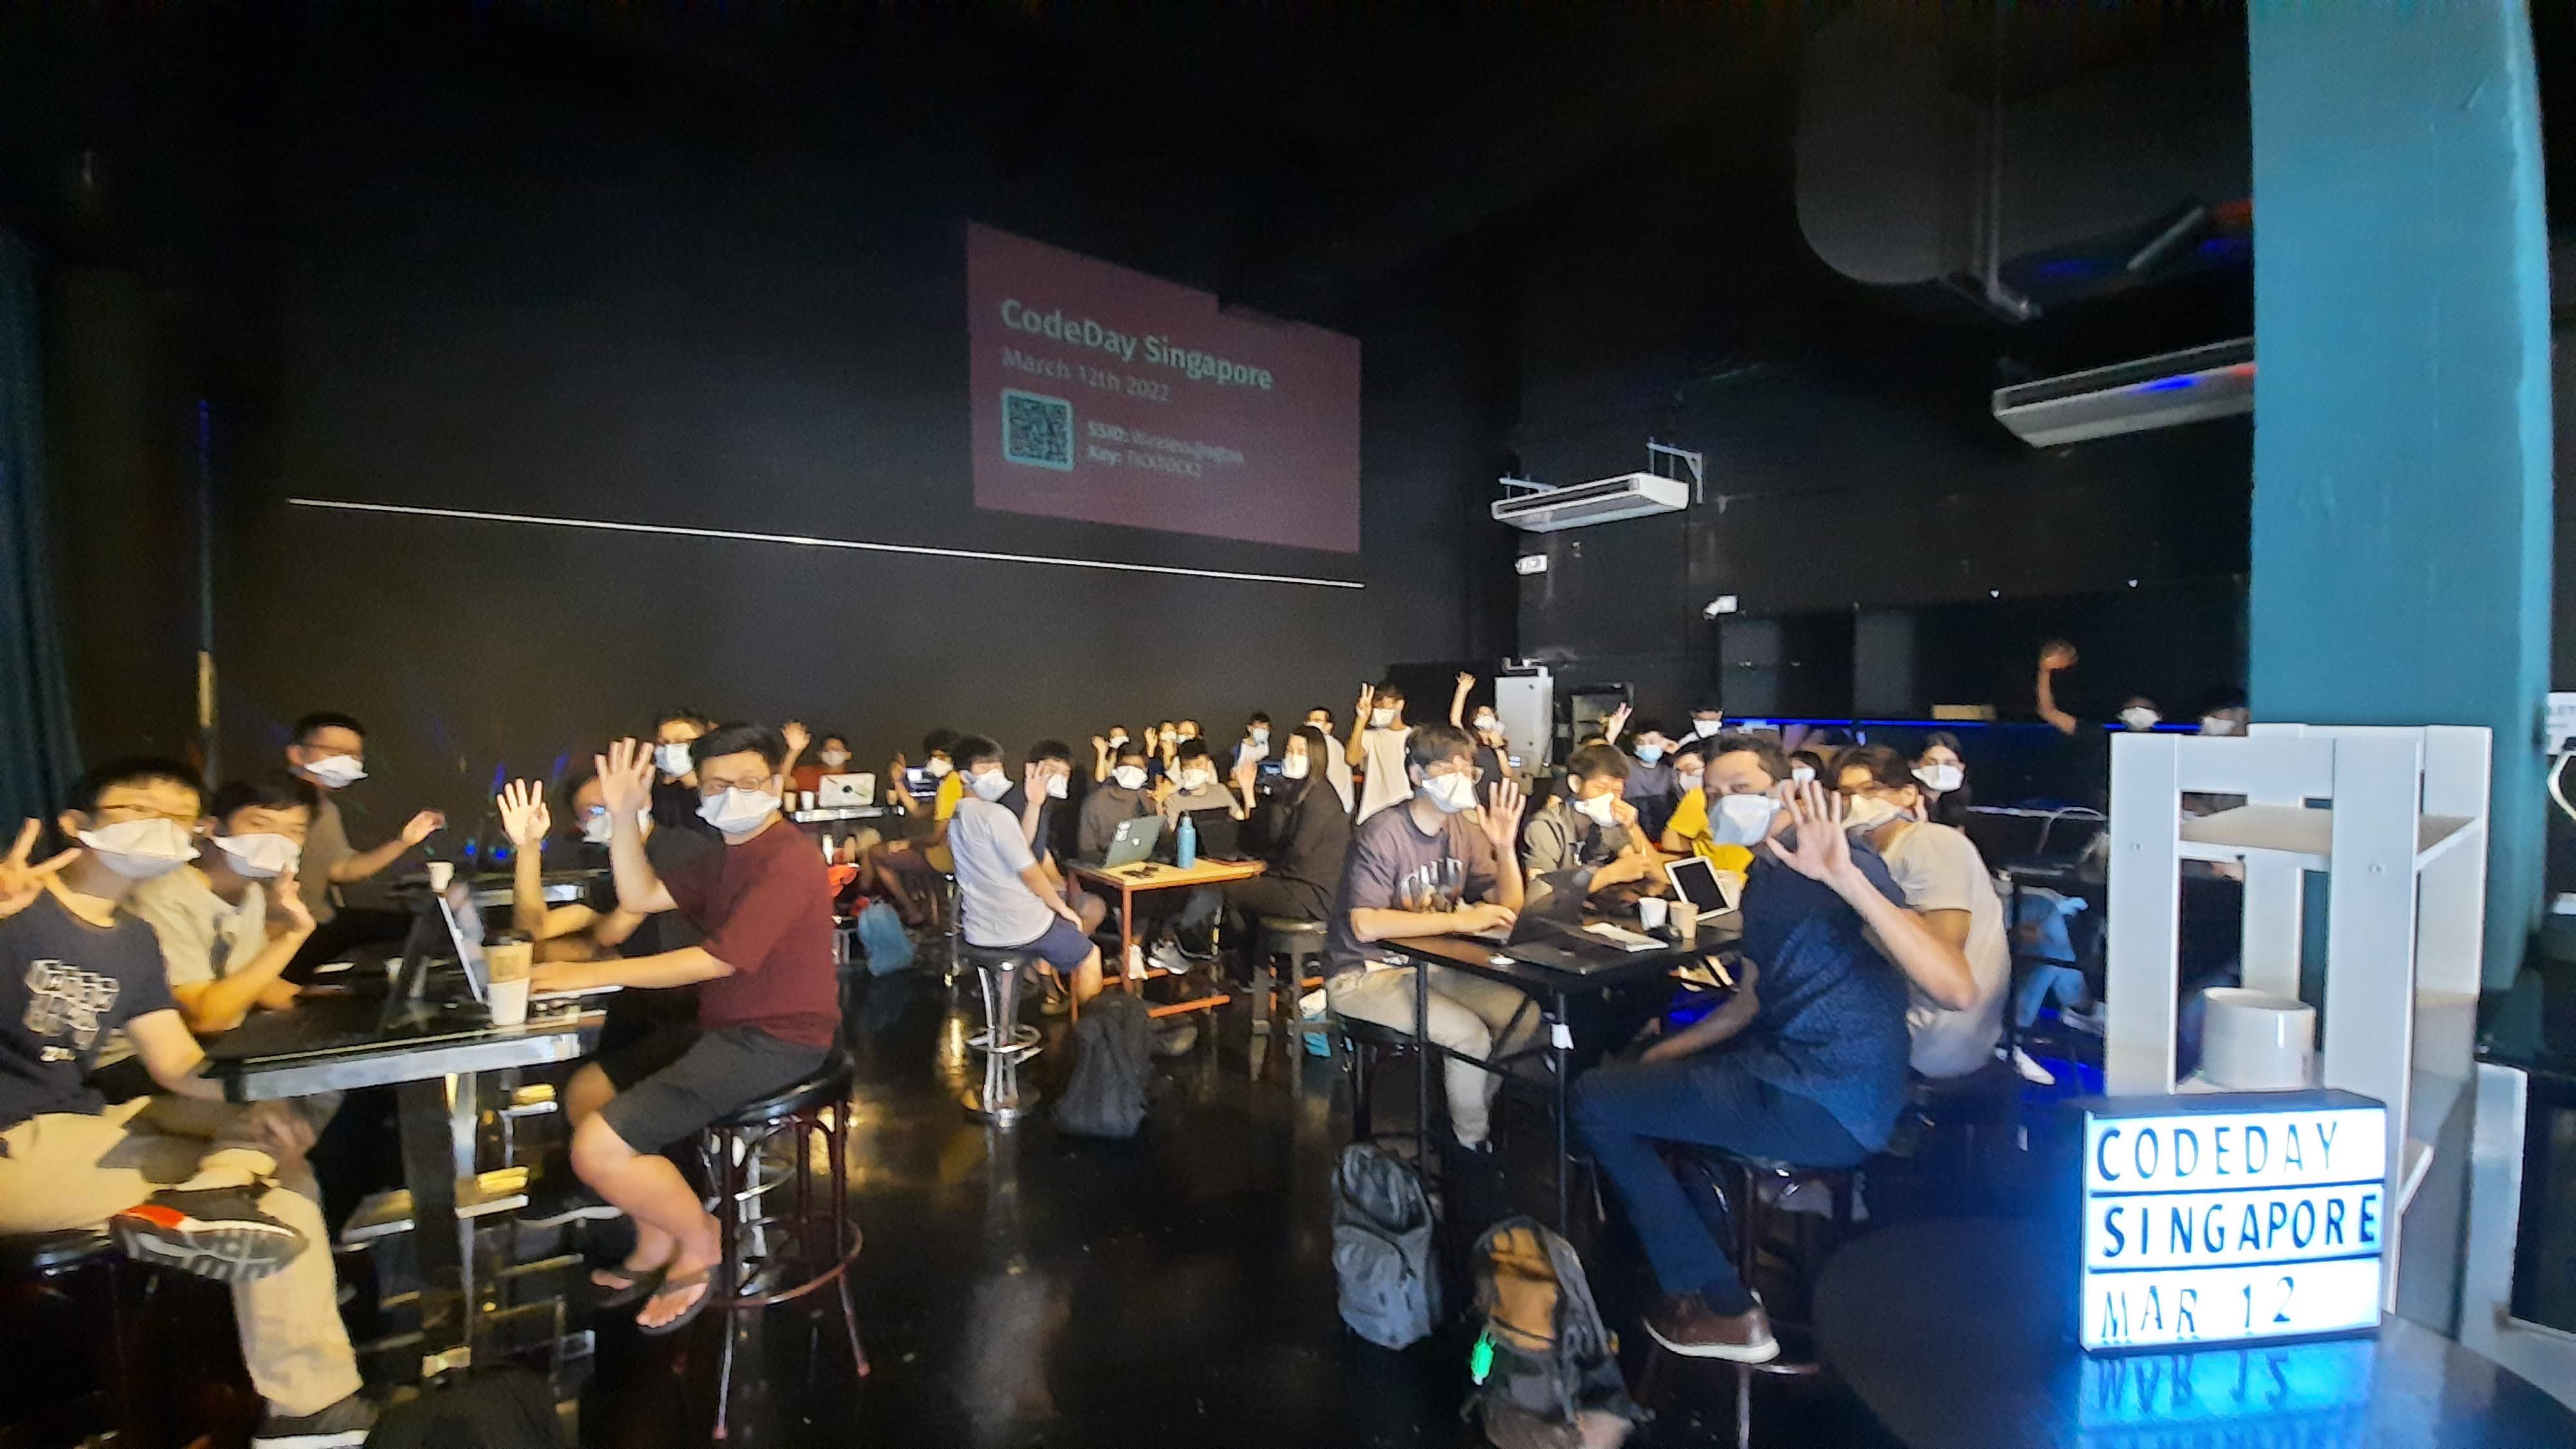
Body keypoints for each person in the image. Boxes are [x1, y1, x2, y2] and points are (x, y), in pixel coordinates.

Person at [0, 759, 374, 1446]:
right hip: (13, 1142)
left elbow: (174, 1062)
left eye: (176, 819)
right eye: (136, 812)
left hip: (76, 1121)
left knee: (278, 1151)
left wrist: (259, 1094)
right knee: (269, 1185)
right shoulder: (18, 906)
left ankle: (310, 1411)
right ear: (75, 825)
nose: (158, 830)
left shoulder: (133, 937)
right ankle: (299, 1390)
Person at [1571, 768, 1971, 1365]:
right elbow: (1748, 1002)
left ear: (1787, 790)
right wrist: (1663, 1055)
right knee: (1631, 1082)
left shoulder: (1848, 863)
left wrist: (1842, 876)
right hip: (1789, 1076)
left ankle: (1723, 1305)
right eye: (1718, 789)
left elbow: (1954, 988)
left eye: (1745, 785)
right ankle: (1704, 1249)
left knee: (1593, 1100)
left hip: (1825, 1100)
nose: (1730, 800)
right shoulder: (1765, 876)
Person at [527, 727, 838, 1334]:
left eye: (751, 782)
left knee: (596, 1148)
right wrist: (621, 817)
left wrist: (575, 973)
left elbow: (717, 960)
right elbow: (638, 893)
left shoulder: (788, 858)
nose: (734, 795)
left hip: (779, 1040)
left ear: (776, 783)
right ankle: (653, 1238)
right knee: (588, 1091)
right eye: (718, 784)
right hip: (722, 1028)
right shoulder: (725, 855)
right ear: (697, 786)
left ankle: (699, 1239)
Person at [495, 770, 716, 1226]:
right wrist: (528, 849)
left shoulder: (682, 850)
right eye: (592, 813)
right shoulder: (617, 860)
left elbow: (618, 925)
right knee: (575, 1073)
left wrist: (585, 954)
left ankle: (665, 1196)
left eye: (612, 804)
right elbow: (533, 931)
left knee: (585, 1091)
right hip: (650, 1005)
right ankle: (642, 1194)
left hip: (706, 1010)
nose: (607, 816)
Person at [1323, 723, 1530, 1151]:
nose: (1461, 777)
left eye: (1468, 769)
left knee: (1522, 1017)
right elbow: (1367, 925)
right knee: (1469, 1035)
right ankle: (1470, 1148)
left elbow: (1508, 908)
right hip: (1363, 973)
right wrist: (1460, 922)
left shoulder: (1465, 831)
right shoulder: (1384, 831)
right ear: (1417, 775)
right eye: (1447, 768)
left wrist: (1506, 848)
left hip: (1430, 968)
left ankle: (1463, 1121)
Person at [1834, 746, 2011, 1079]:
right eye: (1845, 794)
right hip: (1921, 1025)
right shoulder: (1871, 853)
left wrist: (1860, 925)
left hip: (1934, 1037)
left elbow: (1943, 957)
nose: (1856, 803)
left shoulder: (1930, 843)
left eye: (1870, 790)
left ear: (1907, 795)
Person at [942, 735, 1105, 1005]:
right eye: (984, 769)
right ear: (964, 775)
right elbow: (1029, 871)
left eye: (997, 767)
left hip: (979, 928)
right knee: (1090, 956)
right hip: (1018, 926)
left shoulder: (959, 816)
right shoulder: (997, 816)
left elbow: (1020, 845)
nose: (994, 775)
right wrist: (1064, 911)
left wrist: (1034, 804)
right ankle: (1092, 1038)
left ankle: (1040, 979)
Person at [282, 711, 444, 966]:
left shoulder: (325, 809)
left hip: (320, 921)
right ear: (296, 754)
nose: (345, 761)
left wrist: (404, 841)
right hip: (289, 933)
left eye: (353, 755)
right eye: (333, 750)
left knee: (424, 926)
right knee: (424, 933)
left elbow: (342, 869)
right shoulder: (275, 806)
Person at [1520, 744, 1663, 913]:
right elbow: (1541, 896)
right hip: (1551, 922)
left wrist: (1632, 827)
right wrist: (1610, 875)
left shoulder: (1609, 824)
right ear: (1576, 784)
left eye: (1616, 791)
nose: (1608, 797)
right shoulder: (1545, 827)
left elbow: (1644, 867)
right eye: (1600, 788)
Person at [866, 728, 963, 925]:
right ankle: (929, 910)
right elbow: (918, 811)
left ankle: (912, 911)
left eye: (941, 757)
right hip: (957, 854)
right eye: (933, 757)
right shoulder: (954, 782)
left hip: (945, 857)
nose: (935, 762)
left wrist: (906, 843)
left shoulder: (950, 787)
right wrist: (898, 782)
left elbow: (936, 838)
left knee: (876, 853)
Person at [1659, 742, 1756, 875]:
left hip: (1721, 879)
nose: (1684, 776)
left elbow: (1670, 843)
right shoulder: (1761, 797)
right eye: (1678, 772)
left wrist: (1700, 845)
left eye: (1691, 769)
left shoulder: (1699, 797)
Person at [1079, 736, 1158, 860]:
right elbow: (1086, 851)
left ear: (1145, 770)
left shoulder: (1148, 799)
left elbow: (1164, 842)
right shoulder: (1096, 802)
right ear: (1116, 767)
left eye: (1137, 767)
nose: (1131, 772)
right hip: (1106, 869)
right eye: (1126, 766)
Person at [1347, 680, 1413, 824]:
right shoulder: (1370, 736)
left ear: (1400, 705)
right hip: (1372, 815)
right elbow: (1351, 759)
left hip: (1405, 815)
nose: (1381, 712)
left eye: (1385, 707)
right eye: (1378, 708)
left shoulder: (1414, 737)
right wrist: (1361, 719)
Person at [647, 708, 717, 835]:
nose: (669, 749)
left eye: (681, 742)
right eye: (664, 743)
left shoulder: (720, 795)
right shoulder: (655, 796)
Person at [1621, 719, 1681, 838]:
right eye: (1640, 742)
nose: (1646, 746)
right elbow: (1604, 759)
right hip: (1631, 831)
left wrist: (1677, 753)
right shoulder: (1625, 765)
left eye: (1652, 742)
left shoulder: (1669, 772)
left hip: (1662, 832)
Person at [1912, 732, 1973, 829]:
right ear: (1914, 765)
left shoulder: (1956, 809)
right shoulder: (1906, 802)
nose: (1940, 769)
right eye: (1931, 763)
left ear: (1961, 767)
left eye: (1949, 764)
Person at [1305, 704, 1356, 815]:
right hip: (1340, 808)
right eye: (1309, 720)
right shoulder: (1335, 744)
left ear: (1329, 726)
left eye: (1317, 720)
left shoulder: (1324, 744)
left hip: (1330, 808)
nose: (1311, 723)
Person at [790, 729, 853, 797]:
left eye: (836, 750)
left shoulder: (855, 780)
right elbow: (785, 783)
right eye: (827, 750)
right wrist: (794, 751)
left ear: (848, 755)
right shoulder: (808, 774)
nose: (832, 753)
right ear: (820, 755)